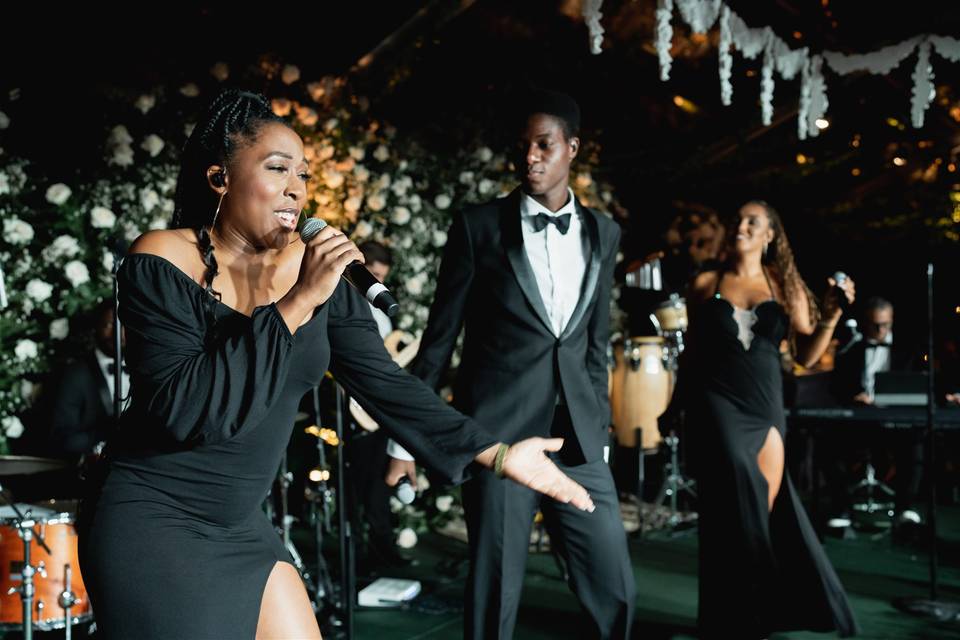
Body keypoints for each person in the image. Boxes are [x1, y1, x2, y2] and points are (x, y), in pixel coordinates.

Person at [77, 89, 595, 640]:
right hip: (155, 521)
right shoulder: (161, 258)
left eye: (303, 174)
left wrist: (497, 452)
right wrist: (298, 301)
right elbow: (191, 410)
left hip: (240, 526)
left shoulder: (320, 278)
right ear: (219, 179)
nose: (296, 188)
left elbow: (386, 386)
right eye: (278, 169)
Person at [387, 89, 635, 639]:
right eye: (521, 147)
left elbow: (594, 343)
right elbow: (439, 340)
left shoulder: (604, 233)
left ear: (572, 147)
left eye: (543, 145)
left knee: (614, 584)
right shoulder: (478, 227)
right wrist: (404, 444)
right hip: (497, 437)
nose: (530, 158)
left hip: (578, 442)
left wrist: (597, 432)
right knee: (496, 591)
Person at [686, 200, 859, 638]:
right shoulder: (706, 282)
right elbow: (692, 355)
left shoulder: (786, 287)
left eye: (752, 222)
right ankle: (739, 621)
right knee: (736, 501)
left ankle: (749, 615)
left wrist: (833, 313)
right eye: (738, 219)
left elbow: (805, 355)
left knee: (759, 514)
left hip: (764, 407)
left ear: (770, 236)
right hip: (718, 402)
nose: (741, 226)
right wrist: (674, 407)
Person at [345, 240, 413, 568]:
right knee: (357, 484)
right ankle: (358, 554)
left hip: (379, 409)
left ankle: (382, 551)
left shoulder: (383, 313)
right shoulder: (344, 305)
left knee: (378, 483)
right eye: (373, 274)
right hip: (352, 411)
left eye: (382, 277)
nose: (377, 283)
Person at [829, 297, 924, 528]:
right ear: (865, 323)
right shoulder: (850, 350)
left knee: (915, 444)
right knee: (831, 444)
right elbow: (837, 387)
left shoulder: (907, 351)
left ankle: (906, 507)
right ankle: (842, 509)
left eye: (885, 324)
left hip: (896, 422)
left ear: (891, 322)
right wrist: (855, 398)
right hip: (861, 421)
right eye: (874, 324)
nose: (880, 330)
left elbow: (916, 388)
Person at [46, 300, 128, 459]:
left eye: (123, 325)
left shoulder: (145, 368)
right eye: (109, 325)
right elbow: (61, 438)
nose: (117, 333)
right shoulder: (75, 374)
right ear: (96, 328)